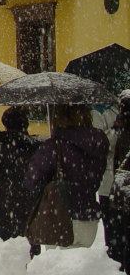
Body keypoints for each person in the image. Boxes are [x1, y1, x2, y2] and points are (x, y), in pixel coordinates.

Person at [25, 104, 109, 249]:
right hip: (89, 218)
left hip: (59, 216)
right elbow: (96, 176)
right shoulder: (97, 142)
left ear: (59, 118)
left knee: (58, 268)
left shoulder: (54, 145)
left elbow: (32, 179)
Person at [0, 106, 38, 241]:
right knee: (25, 246)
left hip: (3, 201)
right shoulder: (35, 146)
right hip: (27, 202)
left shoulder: (2, 143)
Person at [102, 91, 130, 271]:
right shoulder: (118, 129)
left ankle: (118, 261)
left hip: (116, 191)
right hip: (117, 189)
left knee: (116, 231)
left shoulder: (118, 129)